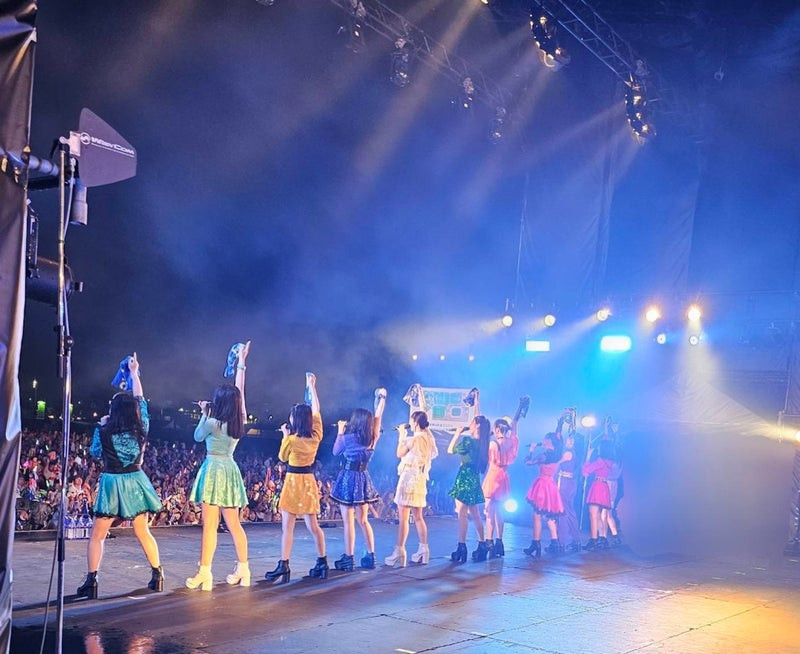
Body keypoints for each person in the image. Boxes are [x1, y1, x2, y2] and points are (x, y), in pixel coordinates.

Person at [76, 353, 163, 599]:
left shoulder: (104, 431)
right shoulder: (141, 427)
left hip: (112, 483)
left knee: (98, 535)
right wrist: (134, 373)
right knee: (143, 531)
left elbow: (95, 453)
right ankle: (158, 575)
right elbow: (141, 400)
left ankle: (92, 581)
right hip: (136, 481)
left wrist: (101, 426)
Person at [185, 341, 251, 591]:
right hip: (230, 469)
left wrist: (204, 412)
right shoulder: (238, 421)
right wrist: (242, 363)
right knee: (234, 524)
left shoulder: (213, 422)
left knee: (210, 526)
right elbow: (240, 393)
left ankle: (205, 573)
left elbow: (197, 436)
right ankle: (244, 569)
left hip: (213, 470)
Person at [265, 373, 327, 583]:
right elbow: (317, 411)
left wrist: (284, 435)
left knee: (287, 527)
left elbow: (282, 458)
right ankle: (322, 562)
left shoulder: (291, 439)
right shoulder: (316, 436)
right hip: (308, 482)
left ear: (295, 420)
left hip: (293, 482)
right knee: (313, 526)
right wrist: (312, 387)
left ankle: (284, 564)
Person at [330, 388, 387, 571]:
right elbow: (378, 417)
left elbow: (335, 451)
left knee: (348, 522)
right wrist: (382, 398)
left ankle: (348, 558)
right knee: (363, 520)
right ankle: (370, 555)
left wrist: (340, 431)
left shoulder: (347, 438)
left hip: (348, 477)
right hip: (363, 477)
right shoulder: (372, 437)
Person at [384, 410, 438, 567]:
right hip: (420, 479)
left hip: (408, 478)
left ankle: (399, 551)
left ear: (415, 423)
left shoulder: (412, 440)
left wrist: (401, 435)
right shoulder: (428, 439)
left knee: (403, 518)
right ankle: (424, 549)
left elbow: (399, 453)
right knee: (418, 517)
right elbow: (434, 453)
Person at [482, 396, 527, 558]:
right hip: (504, 477)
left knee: (489, 512)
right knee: (499, 512)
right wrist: (520, 407)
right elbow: (515, 424)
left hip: (493, 476)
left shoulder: (492, 444)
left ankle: (489, 541)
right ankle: (499, 541)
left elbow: (487, 458)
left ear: (496, 429)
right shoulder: (512, 442)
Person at [447, 415, 490, 563]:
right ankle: (482, 544)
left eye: (472, 422)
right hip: (475, 478)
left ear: (477, 425)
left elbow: (450, 450)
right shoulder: (484, 444)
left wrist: (457, 433)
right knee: (475, 514)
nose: (469, 425)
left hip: (464, 477)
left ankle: (462, 547)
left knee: (462, 514)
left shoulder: (468, 441)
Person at [523, 416, 566, 558]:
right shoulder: (558, 454)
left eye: (545, 438)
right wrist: (560, 421)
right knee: (550, 515)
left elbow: (528, 462)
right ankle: (555, 542)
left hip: (542, 485)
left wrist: (531, 450)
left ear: (548, 441)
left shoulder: (543, 456)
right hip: (551, 486)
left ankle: (536, 543)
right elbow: (558, 436)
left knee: (537, 515)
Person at [582, 439, 616, 551]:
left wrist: (588, 456)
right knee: (599, 515)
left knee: (593, 515)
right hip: (605, 486)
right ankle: (602, 538)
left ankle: (593, 540)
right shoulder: (610, 461)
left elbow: (586, 471)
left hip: (597, 486)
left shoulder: (600, 461)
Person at [556, 430, 582, 552]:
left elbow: (556, 463)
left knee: (563, 511)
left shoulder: (568, 453)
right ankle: (575, 539)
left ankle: (561, 541)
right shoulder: (572, 453)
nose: (569, 441)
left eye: (571, 440)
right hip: (568, 482)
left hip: (565, 484)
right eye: (569, 439)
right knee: (569, 511)